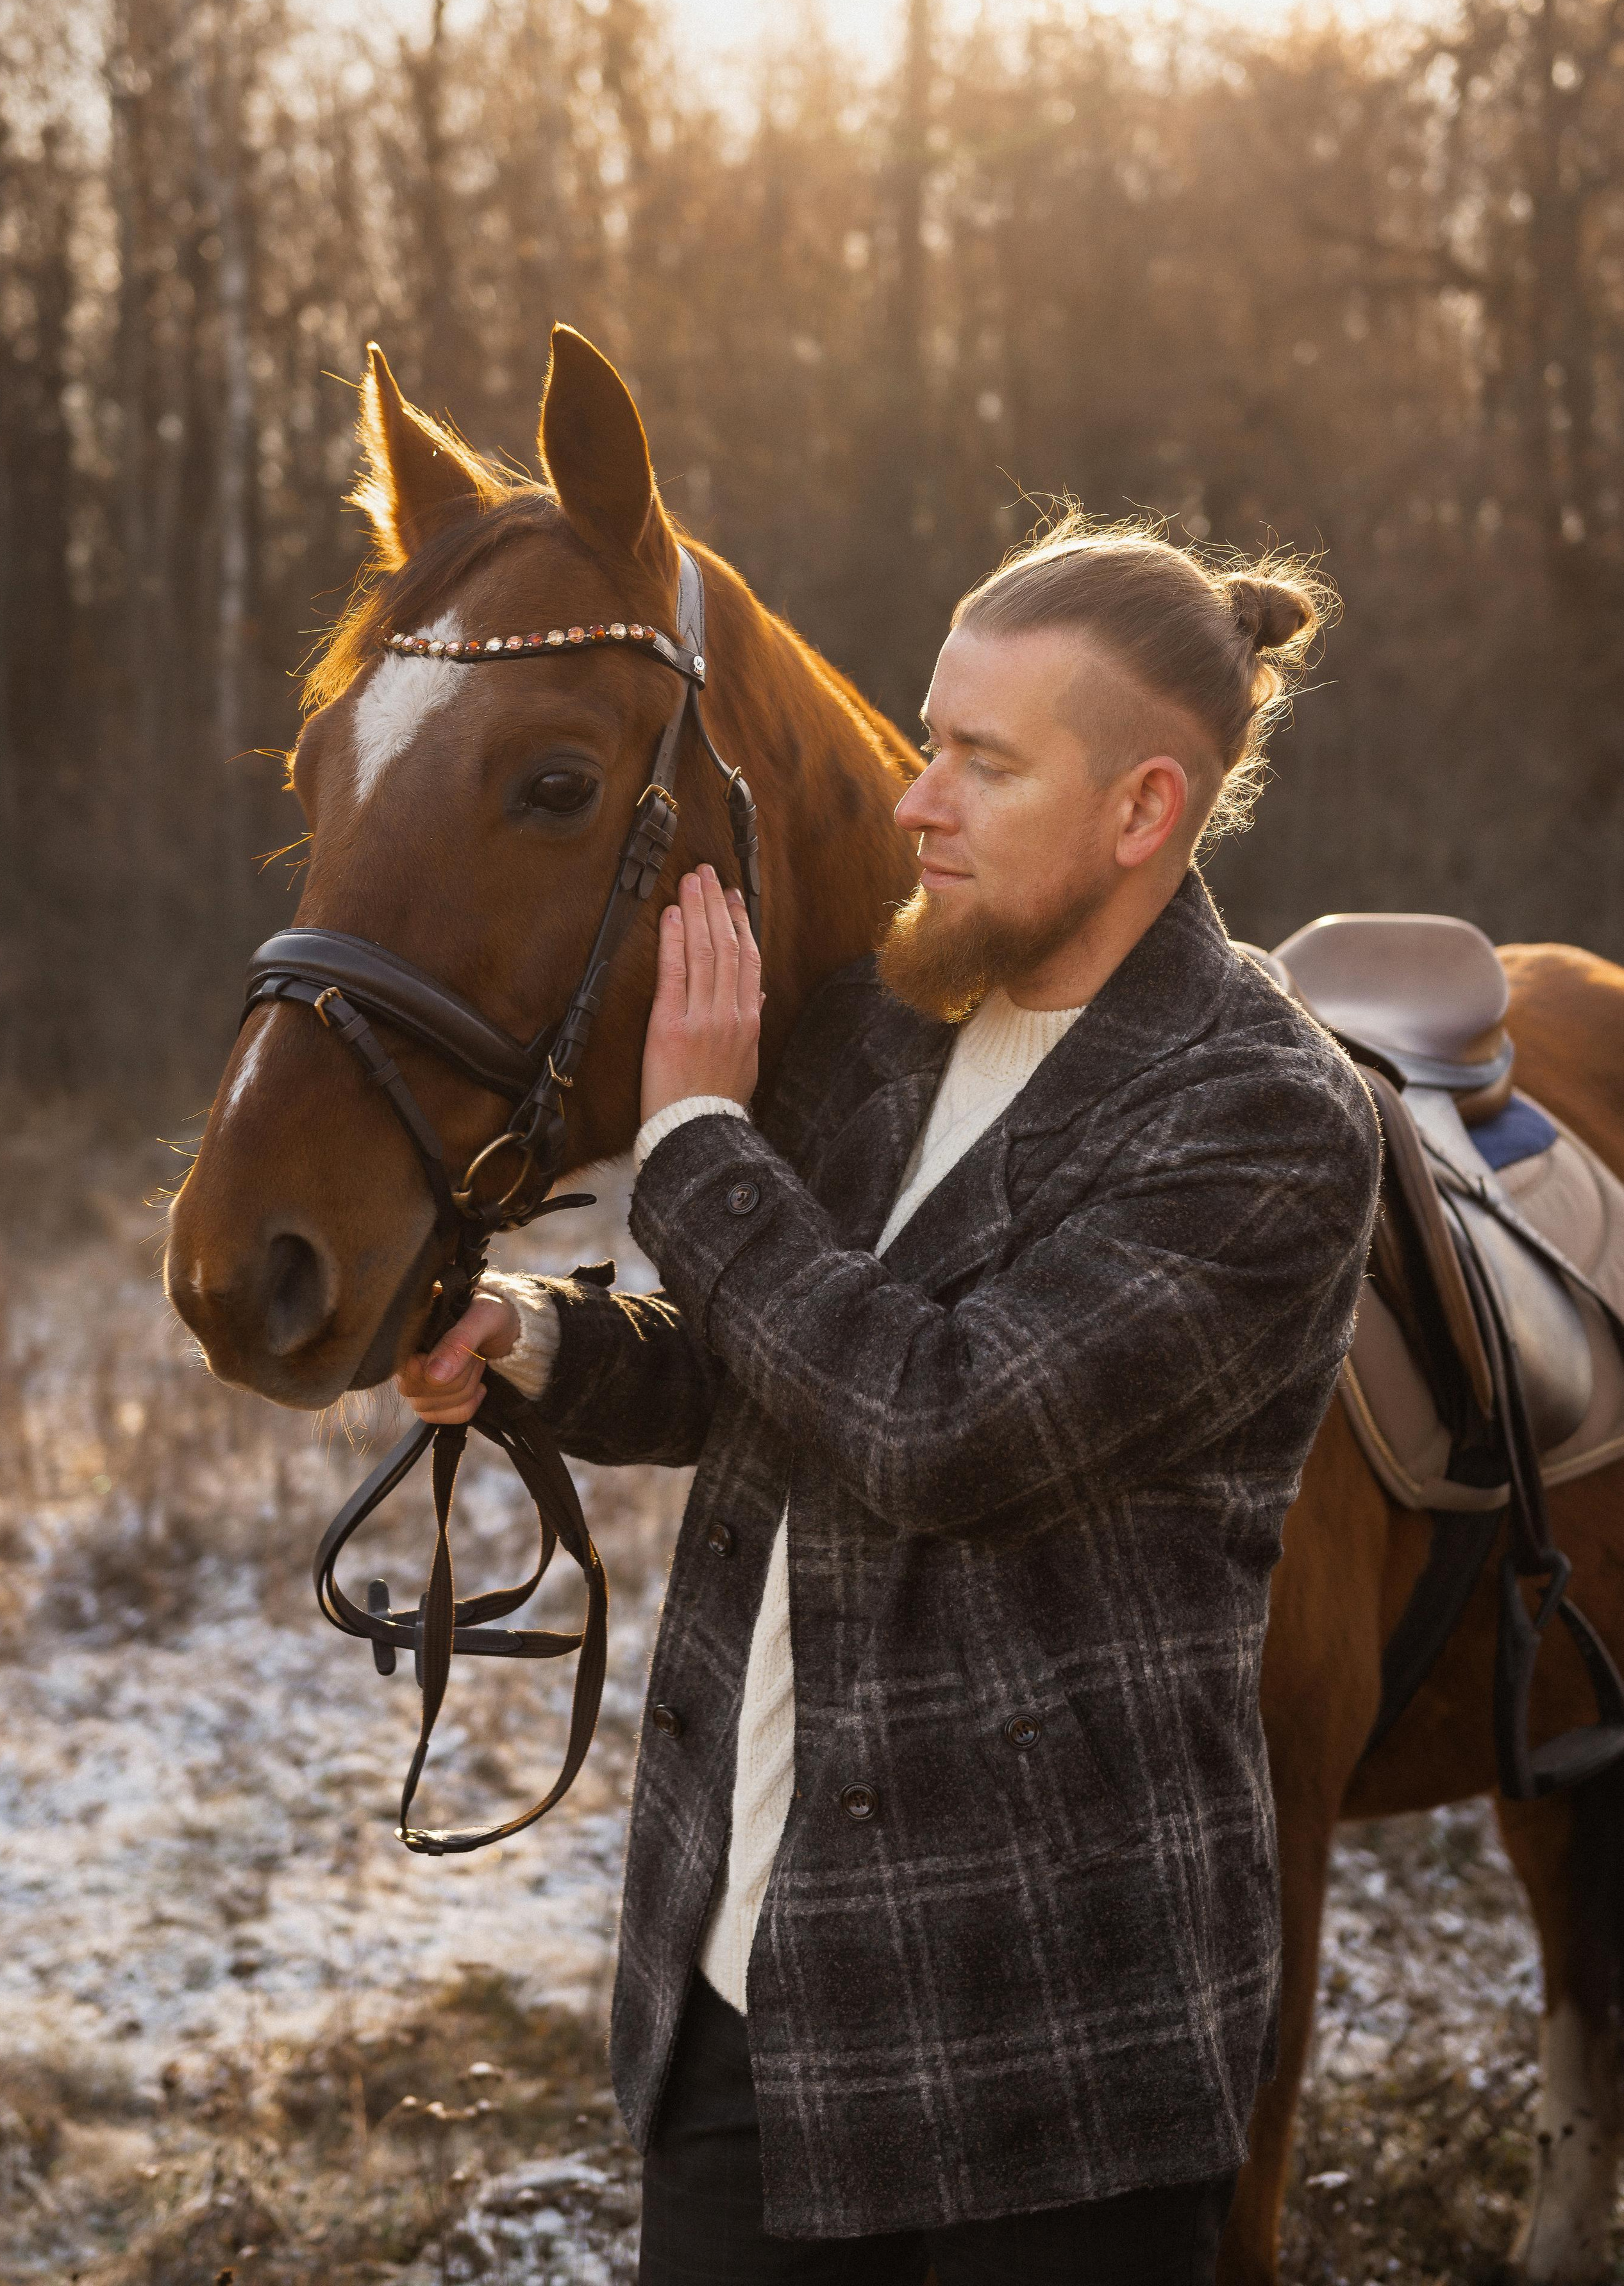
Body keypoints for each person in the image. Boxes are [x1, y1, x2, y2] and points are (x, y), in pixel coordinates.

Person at [399, 517, 1382, 2285]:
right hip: (743, 1989)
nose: (916, 800)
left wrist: (697, 1140)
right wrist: (531, 1338)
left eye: (983, 763)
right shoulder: (884, 1028)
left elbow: (942, 1425)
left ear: (1144, 813)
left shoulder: (1261, 1116)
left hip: (1043, 2064)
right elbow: (763, 1362)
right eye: (930, 739)